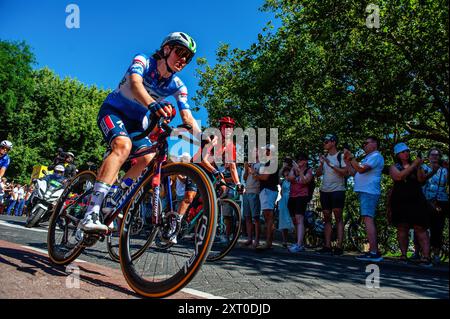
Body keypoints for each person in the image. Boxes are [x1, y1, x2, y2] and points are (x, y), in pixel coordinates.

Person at [79, 32, 201, 233]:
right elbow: (136, 85)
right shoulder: (143, 60)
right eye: (180, 52)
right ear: (166, 49)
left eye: (188, 57)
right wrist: (152, 104)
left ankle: (114, 195)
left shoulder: (179, 86)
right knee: (122, 146)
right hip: (113, 111)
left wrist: (202, 140)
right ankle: (91, 212)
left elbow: (188, 119)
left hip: (136, 123)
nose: (183, 59)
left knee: (149, 158)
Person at [389, 143, 432, 266]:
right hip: (400, 201)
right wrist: (414, 165)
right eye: (403, 152)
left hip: (417, 200)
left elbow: (421, 180)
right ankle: (403, 254)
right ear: (398, 154)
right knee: (402, 227)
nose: (406, 153)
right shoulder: (394, 166)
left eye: (407, 151)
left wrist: (418, 167)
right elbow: (398, 176)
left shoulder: (417, 166)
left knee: (420, 228)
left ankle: (426, 256)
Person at [344, 136, 384, 262]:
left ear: (375, 144)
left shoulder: (376, 156)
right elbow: (353, 172)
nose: (363, 145)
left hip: (369, 191)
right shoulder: (368, 157)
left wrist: (351, 157)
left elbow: (361, 170)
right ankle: (372, 251)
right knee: (367, 219)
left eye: (366, 143)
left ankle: (374, 252)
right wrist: (347, 161)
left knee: (368, 219)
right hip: (364, 191)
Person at [316, 134, 348, 255]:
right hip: (325, 191)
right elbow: (318, 174)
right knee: (327, 218)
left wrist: (331, 165)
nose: (324, 143)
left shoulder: (341, 156)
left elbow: (345, 173)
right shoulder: (324, 157)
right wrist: (321, 164)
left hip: (338, 190)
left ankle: (339, 246)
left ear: (333, 142)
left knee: (338, 217)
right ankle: (327, 245)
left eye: (326, 141)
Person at [422, 148, 449, 264]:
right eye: (432, 155)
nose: (434, 157)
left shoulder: (444, 170)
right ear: (428, 157)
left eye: (437, 155)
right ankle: (423, 252)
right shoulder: (424, 168)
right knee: (422, 227)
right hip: (425, 201)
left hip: (440, 201)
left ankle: (436, 254)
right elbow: (421, 180)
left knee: (437, 228)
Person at [252, 144, 279, 250]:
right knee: (267, 216)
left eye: (266, 150)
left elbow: (264, 177)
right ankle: (268, 242)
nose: (264, 152)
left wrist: (255, 174)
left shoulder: (272, 162)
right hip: (266, 191)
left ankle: (268, 243)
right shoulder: (268, 162)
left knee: (269, 217)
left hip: (269, 190)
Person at [287, 153, 313, 253]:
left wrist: (299, 171)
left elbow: (305, 181)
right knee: (295, 220)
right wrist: (294, 170)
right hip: (292, 196)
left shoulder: (309, 170)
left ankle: (299, 244)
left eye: (301, 159)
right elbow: (289, 178)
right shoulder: (293, 169)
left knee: (299, 219)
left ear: (306, 161)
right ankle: (298, 242)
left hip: (302, 196)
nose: (299, 161)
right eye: (298, 160)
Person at [242, 148, 262, 248]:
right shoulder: (250, 164)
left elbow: (258, 177)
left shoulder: (261, 164)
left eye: (256, 151)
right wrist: (246, 169)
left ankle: (257, 240)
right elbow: (245, 178)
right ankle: (250, 238)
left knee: (256, 217)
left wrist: (251, 169)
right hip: (246, 191)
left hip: (255, 191)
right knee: (247, 216)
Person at [278, 167, 294, 248]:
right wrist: (283, 167)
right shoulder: (283, 181)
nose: (286, 176)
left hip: (291, 200)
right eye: (285, 175)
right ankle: (284, 241)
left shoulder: (293, 182)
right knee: (283, 220)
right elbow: (278, 176)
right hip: (284, 202)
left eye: (288, 174)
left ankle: (297, 241)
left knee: (293, 220)